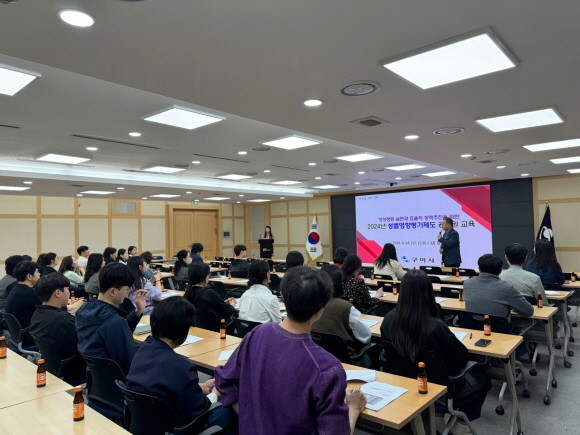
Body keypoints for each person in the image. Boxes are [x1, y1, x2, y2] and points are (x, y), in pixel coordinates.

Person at [215, 267, 367, 435]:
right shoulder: (327, 367)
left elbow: (224, 381)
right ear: (320, 312)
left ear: (284, 299)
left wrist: (250, 417)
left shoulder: (257, 333)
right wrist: (353, 409)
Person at [381, 270, 490, 434]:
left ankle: (436, 416)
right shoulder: (435, 326)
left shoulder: (388, 319)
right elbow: (460, 358)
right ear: (428, 292)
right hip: (438, 387)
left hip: (403, 382)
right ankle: (459, 425)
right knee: (483, 379)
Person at [126, 297, 236, 431]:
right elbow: (199, 410)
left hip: (151, 422)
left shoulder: (143, 349)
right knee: (234, 405)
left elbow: (164, 386)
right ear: (183, 330)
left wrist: (198, 387)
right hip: (183, 426)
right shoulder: (181, 366)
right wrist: (215, 393)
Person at [75, 263, 147, 374]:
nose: (128, 292)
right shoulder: (114, 322)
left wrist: (137, 312)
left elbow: (117, 334)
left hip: (99, 378)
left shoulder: (83, 311)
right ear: (113, 291)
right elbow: (129, 361)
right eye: (127, 289)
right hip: (121, 378)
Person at [313, 265, 371, 357]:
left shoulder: (310, 303)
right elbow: (365, 337)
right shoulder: (346, 307)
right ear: (340, 282)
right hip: (344, 357)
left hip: (317, 354)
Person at [29, 273, 84, 361]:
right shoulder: (64, 321)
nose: (69, 293)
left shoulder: (37, 313)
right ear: (58, 293)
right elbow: (85, 345)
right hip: (74, 366)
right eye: (68, 289)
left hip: (52, 364)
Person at [464, 254, 533, 321]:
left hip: (471, 326)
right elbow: (528, 311)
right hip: (498, 327)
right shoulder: (507, 288)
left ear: (479, 269)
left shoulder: (467, 283)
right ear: (501, 270)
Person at [184, 263, 236, 331]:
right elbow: (228, 311)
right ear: (204, 277)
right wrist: (232, 305)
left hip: (194, 329)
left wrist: (222, 303)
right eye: (208, 274)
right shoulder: (209, 293)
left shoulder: (188, 292)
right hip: (212, 330)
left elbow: (205, 306)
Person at [5, 261, 42, 347]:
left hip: (19, 337)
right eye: (37, 272)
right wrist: (72, 306)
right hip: (30, 337)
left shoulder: (16, 289)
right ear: (29, 276)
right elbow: (51, 308)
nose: (39, 274)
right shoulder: (29, 293)